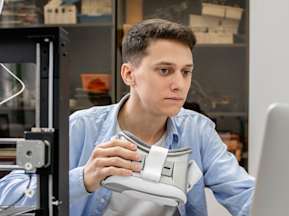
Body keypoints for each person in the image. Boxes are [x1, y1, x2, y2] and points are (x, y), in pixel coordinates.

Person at [0, 19, 255, 216]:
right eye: (164, 70)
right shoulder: (83, 127)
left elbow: (244, 194)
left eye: (186, 72)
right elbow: (5, 195)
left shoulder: (197, 131)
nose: (179, 84)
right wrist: (84, 179)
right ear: (128, 74)